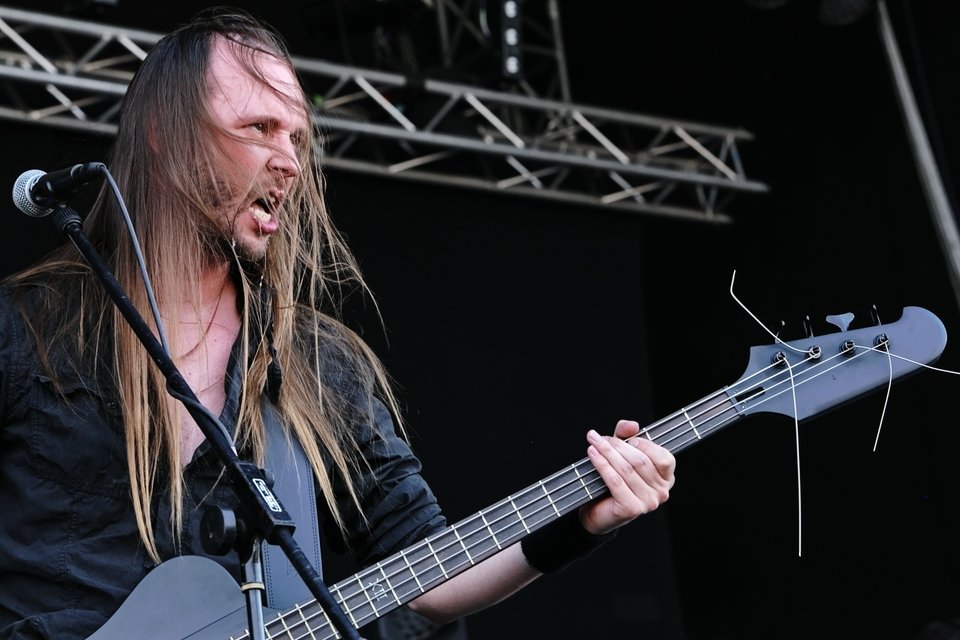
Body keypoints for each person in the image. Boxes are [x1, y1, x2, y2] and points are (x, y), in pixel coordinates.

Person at [0, 7, 676, 640]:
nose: (290, 161)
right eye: (259, 128)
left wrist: (578, 524)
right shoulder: (27, 328)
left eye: (296, 136)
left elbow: (426, 570)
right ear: (164, 133)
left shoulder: (313, 365)